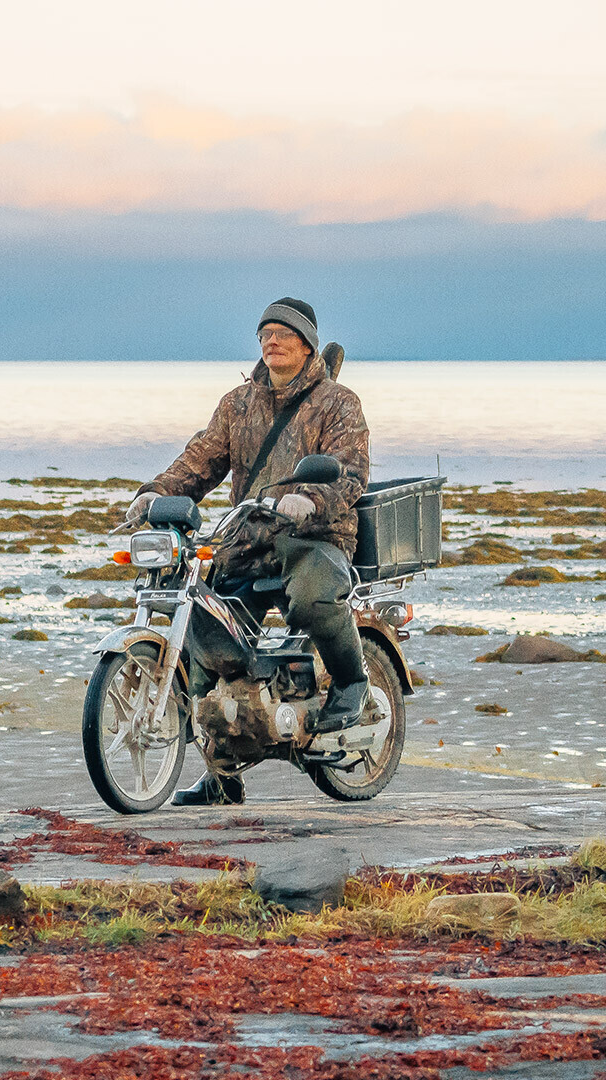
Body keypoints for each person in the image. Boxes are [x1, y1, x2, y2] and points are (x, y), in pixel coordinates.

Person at [123, 297, 372, 806]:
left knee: (312, 601)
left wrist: (312, 500)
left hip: (314, 536)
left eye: (282, 333)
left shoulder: (337, 402)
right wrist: (156, 494)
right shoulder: (237, 404)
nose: (271, 341)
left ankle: (351, 682)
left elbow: (351, 471)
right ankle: (222, 775)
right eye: (265, 334)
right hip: (247, 539)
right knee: (202, 636)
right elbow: (200, 461)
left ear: (306, 344)